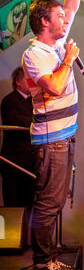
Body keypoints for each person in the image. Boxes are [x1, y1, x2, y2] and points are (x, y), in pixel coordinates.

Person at [22, 0, 84, 270]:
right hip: (50, 141)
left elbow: (73, 4)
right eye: (59, 18)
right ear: (44, 23)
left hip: (62, 139)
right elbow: (53, 85)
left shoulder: (57, 43)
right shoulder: (35, 53)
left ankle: (50, 259)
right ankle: (41, 266)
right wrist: (67, 60)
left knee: (55, 201)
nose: (65, 20)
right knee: (48, 203)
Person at [0, 66, 34, 207]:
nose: (32, 83)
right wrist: (35, 120)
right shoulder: (9, 100)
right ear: (18, 81)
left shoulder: (34, 101)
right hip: (13, 163)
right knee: (13, 205)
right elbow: (18, 121)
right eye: (29, 80)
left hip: (30, 163)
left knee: (29, 205)